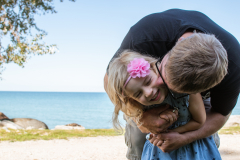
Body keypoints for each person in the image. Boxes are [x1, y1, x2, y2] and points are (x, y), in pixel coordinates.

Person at [104, 9, 240, 160]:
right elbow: (110, 82)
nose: (154, 89)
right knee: (138, 144)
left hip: (192, 113)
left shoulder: (234, 66)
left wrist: (185, 137)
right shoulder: (144, 37)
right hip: (142, 110)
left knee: (205, 142)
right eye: (163, 72)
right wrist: (140, 119)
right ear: (178, 42)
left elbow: (219, 114)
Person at [107, 50, 222, 159]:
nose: (148, 93)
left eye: (148, 81)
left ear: (154, 68)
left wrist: (172, 134)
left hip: (193, 149)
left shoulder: (184, 88)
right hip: (160, 152)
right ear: (131, 99)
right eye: (138, 94)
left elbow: (199, 121)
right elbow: (144, 128)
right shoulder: (140, 105)